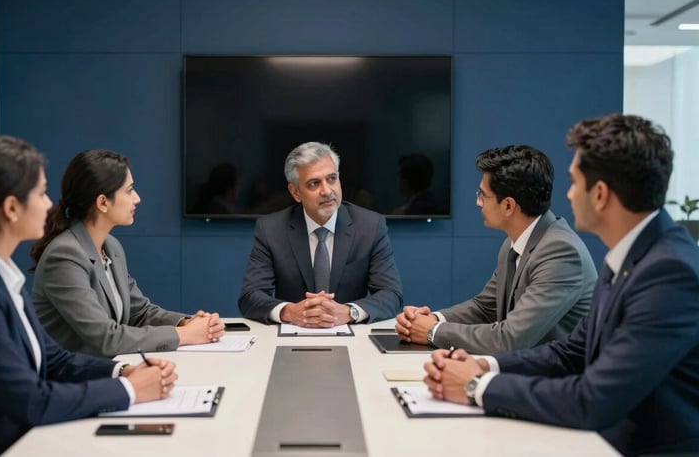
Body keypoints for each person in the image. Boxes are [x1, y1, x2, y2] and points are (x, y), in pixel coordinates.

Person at [423, 114, 699, 456]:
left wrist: (477, 385)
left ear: (599, 194)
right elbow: (573, 352)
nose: (567, 194)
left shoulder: (669, 272)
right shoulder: (634, 254)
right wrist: (485, 365)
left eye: (574, 181)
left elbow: (594, 399)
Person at [0, 136, 177, 456]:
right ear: (11, 208)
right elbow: (32, 401)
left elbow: (55, 360)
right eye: (41, 193)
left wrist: (122, 371)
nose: (49, 204)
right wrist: (129, 389)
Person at [396, 145, 595, 354]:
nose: (477, 202)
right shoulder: (514, 243)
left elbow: (510, 339)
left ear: (508, 206)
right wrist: (432, 319)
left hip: (556, 381)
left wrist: (432, 331)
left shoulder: (560, 252)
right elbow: (485, 308)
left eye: (482, 195)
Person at [31, 149, 224, 357]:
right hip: (69, 382)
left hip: (106, 372)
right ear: (103, 202)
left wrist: (188, 322)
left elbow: (139, 312)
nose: (137, 198)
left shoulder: (111, 246)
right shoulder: (64, 255)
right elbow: (106, 338)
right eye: (129, 190)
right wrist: (185, 335)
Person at [238, 141, 403, 326]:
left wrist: (349, 312)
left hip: (351, 336)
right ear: (296, 192)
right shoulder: (271, 229)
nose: (326, 191)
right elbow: (250, 296)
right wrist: (289, 312)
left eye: (332, 178)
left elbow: (391, 294)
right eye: (314, 183)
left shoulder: (370, 226)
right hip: (292, 336)